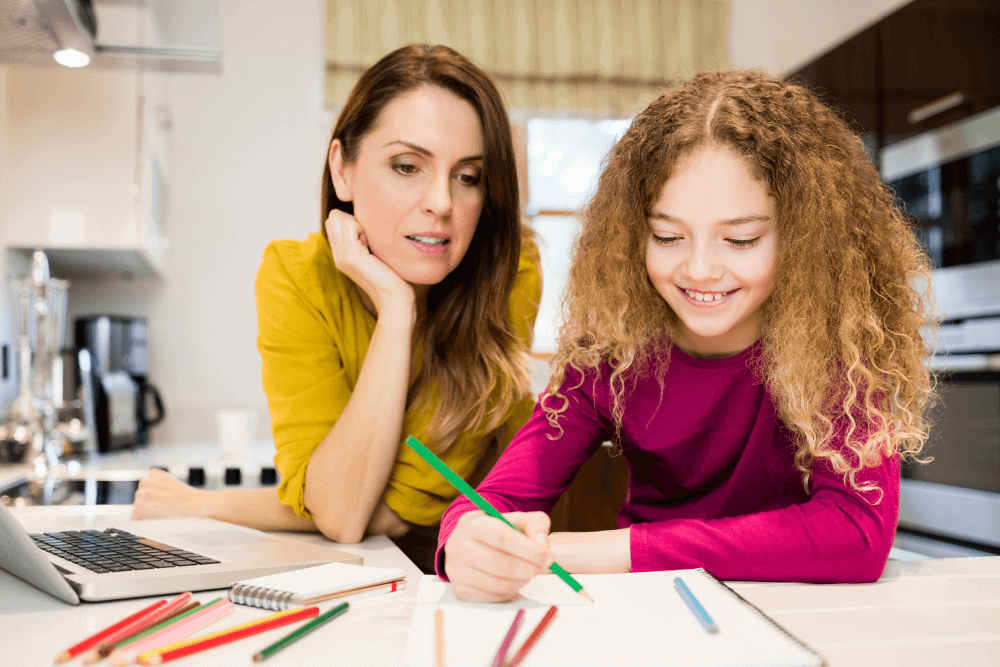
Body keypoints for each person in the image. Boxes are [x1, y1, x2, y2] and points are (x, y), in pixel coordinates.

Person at [438, 69, 934, 600]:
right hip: (648, 611)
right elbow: (486, 505)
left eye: (740, 240)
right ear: (636, 234)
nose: (699, 269)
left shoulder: (840, 347)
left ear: (802, 238)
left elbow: (856, 532)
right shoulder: (611, 355)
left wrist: (620, 550)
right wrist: (465, 542)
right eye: (668, 236)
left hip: (796, 611)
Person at [131, 44, 541, 573]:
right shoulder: (295, 277)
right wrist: (397, 314)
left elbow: (374, 511)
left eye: (468, 177)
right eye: (406, 166)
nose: (441, 202)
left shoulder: (510, 273)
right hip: (356, 574)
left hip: (489, 564)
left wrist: (208, 505)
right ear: (342, 171)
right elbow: (343, 514)